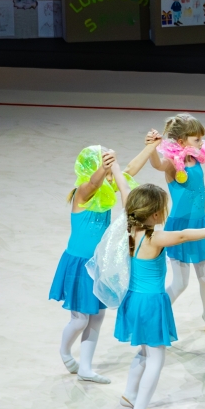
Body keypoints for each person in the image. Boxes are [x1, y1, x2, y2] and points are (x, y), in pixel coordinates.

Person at [113, 184, 205, 409]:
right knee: (156, 358)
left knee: (144, 352)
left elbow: (125, 193)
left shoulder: (130, 229)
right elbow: (183, 236)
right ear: (154, 214)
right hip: (151, 304)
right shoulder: (154, 237)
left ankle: (130, 395)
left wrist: (118, 171)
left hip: (132, 300)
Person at [50, 139, 158, 383]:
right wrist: (104, 168)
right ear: (92, 167)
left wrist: (151, 147)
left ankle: (86, 368)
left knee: (97, 317)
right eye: (103, 163)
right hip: (79, 264)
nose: (109, 170)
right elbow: (93, 183)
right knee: (79, 319)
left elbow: (130, 169)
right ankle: (65, 351)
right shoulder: (82, 192)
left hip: (98, 263)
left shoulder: (106, 190)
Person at [148, 106, 205, 336]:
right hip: (178, 227)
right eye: (196, 139)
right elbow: (157, 164)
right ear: (181, 141)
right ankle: (155, 315)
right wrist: (150, 148)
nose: (201, 142)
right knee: (180, 283)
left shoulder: (198, 155)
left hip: (200, 223)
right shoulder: (171, 163)